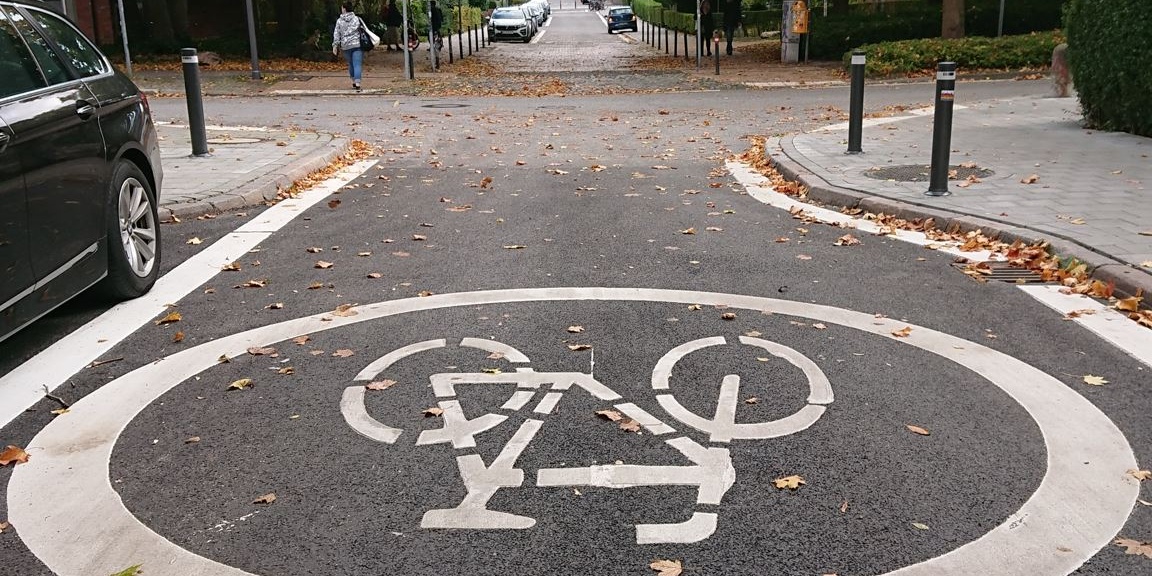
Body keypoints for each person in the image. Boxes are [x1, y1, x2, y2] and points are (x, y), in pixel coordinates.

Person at [332, 2, 364, 91]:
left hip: (345, 46)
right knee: (357, 64)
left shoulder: (339, 21)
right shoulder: (356, 19)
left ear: (344, 9)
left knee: (351, 64)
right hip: (356, 44)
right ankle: (358, 83)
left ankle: (353, 80)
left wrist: (335, 45)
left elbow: (336, 33)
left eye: (342, 8)